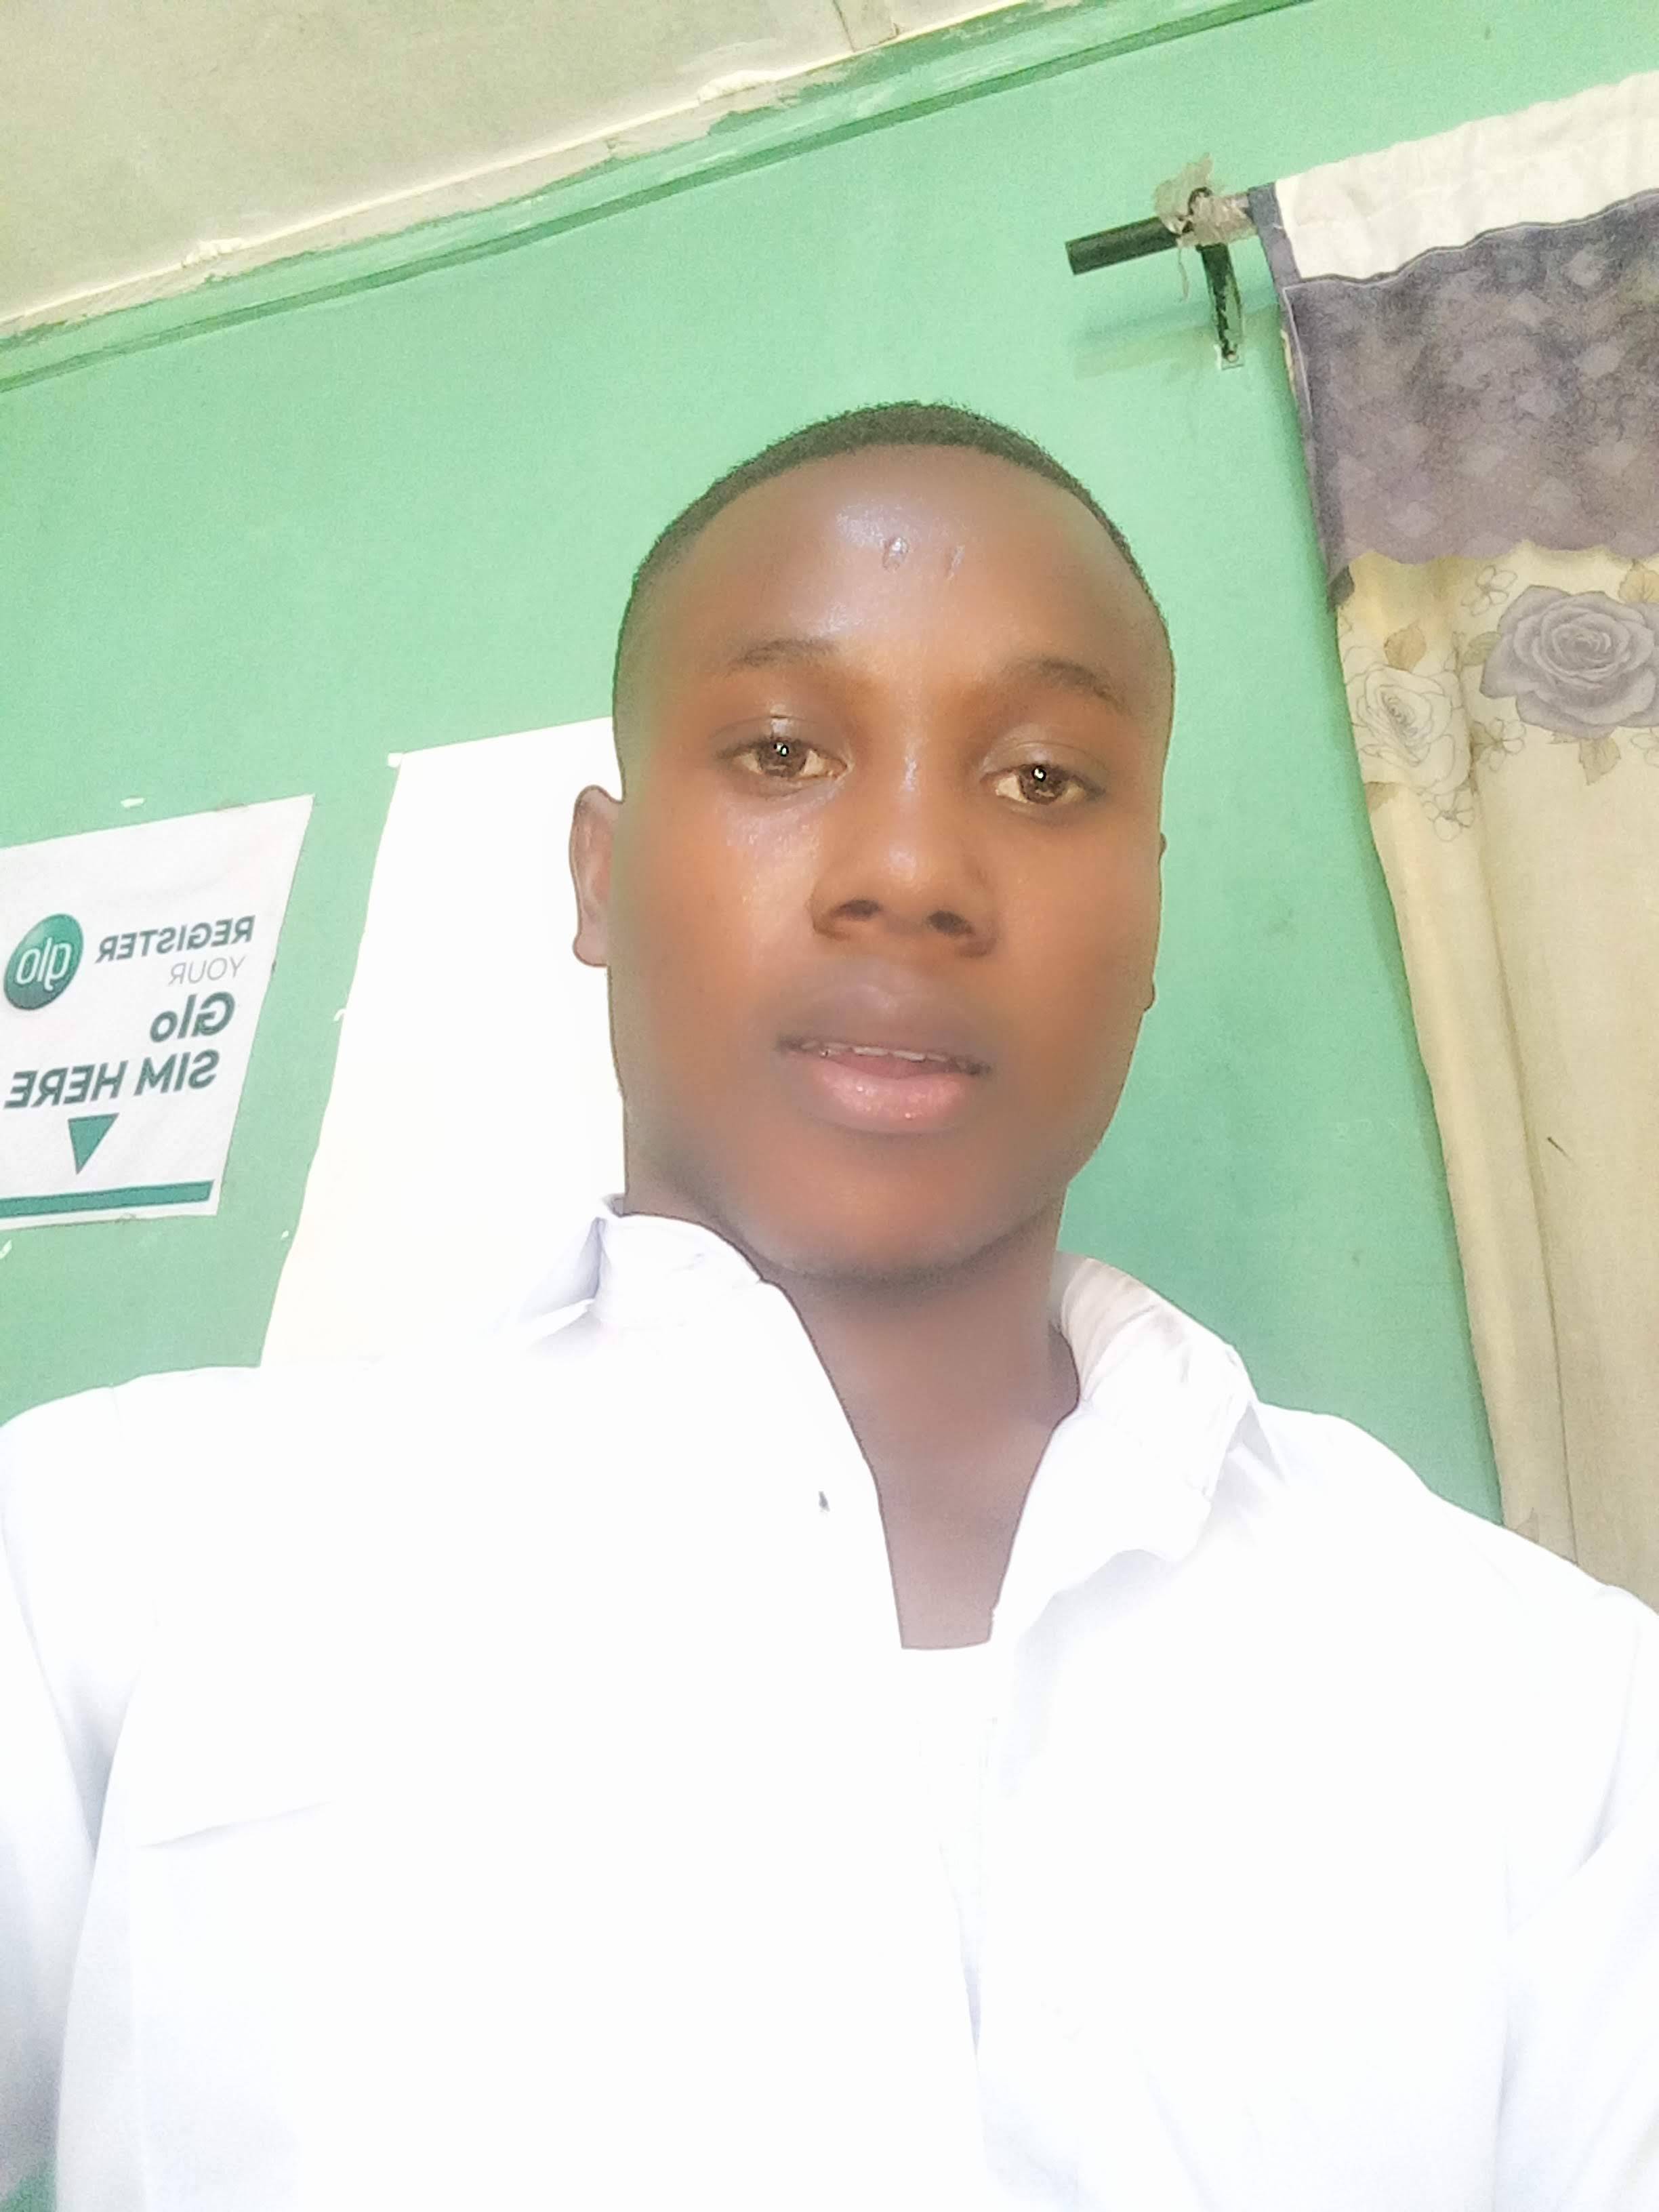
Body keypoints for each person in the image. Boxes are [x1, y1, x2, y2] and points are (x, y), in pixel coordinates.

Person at [2, 403, 1656, 2212]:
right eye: (784, 751)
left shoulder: (1551, 1706)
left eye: (1045, 780)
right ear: (599, 877)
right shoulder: (113, 1565)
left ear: (1149, 916)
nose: (913, 876)